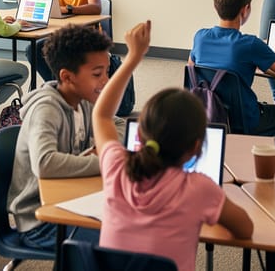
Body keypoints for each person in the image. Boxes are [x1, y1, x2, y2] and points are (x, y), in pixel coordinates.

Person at [93, 20, 253, 271]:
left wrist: (133, 57)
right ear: (196, 148)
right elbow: (245, 228)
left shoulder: (117, 167)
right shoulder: (200, 188)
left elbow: (101, 116)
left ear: (141, 136)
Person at [8, 24, 122, 250]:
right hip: (41, 219)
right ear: (67, 77)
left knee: (135, 225)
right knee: (122, 240)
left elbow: (116, 122)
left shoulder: (85, 100)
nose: (106, 81)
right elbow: (44, 163)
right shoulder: (46, 109)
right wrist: (104, 162)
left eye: (107, 72)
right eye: (97, 74)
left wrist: (108, 147)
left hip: (74, 200)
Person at [190, 0, 275, 135]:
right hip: (244, 119)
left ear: (215, 7)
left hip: (205, 113)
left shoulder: (200, 37)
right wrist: (263, 65)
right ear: (245, 9)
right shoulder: (251, 44)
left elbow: (192, 71)